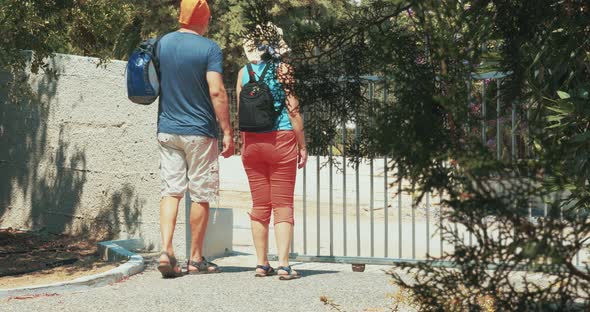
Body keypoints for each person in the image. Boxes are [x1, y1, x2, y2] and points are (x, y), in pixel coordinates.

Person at [156, 0, 233, 278]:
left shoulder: (162, 43)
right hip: (199, 131)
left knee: (171, 190)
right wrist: (227, 130)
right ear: (203, 19)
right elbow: (217, 91)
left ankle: (166, 250)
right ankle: (195, 259)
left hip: (167, 128)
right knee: (200, 193)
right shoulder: (209, 48)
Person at [236, 25, 308, 280]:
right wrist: (302, 145)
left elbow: (241, 113)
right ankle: (285, 265)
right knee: (283, 204)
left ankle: (260, 263)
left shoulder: (243, 72)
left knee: (259, 204)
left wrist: (244, 146)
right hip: (282, 141)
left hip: (252, 145)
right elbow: (294, 109)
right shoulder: (284, 69)